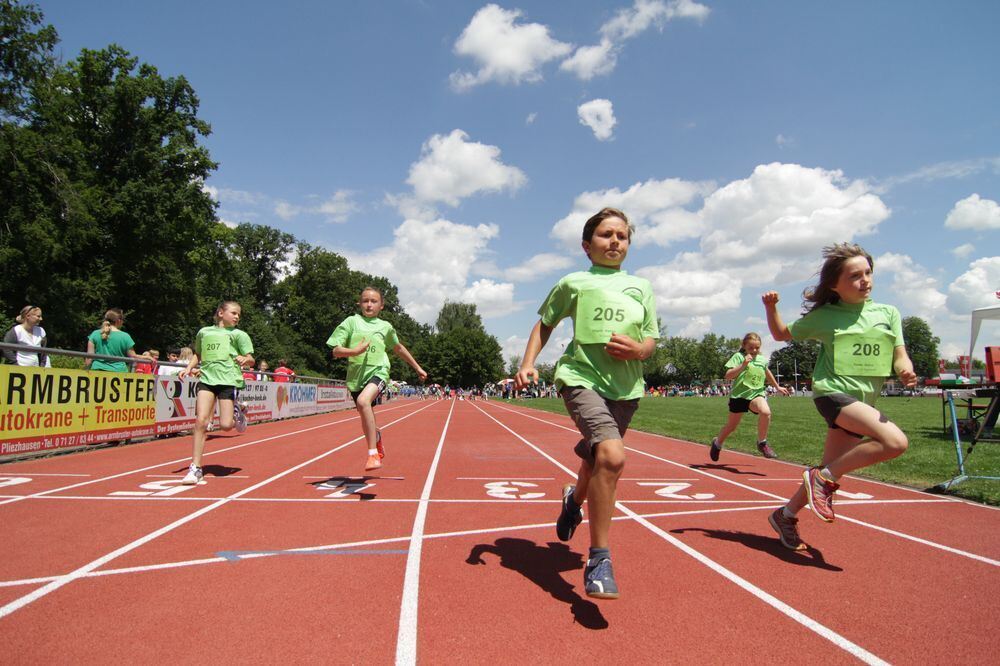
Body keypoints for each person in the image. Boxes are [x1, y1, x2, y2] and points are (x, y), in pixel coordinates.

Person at [516, 207, 658, 600]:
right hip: (580, 378)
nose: (614, 241)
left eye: (622, 236)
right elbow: (545, 323)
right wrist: (527, 363)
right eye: (605, 234)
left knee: (597, 461)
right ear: (586, 245)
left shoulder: (641, 287)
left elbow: (650, 339)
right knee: (612, 456)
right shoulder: (574, 283)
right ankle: (599, 560)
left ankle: (572, 500)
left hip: (626, 388)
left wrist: (639, 350)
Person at [762, 243, 916, 551]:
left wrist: (905, 370)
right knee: (895, 442)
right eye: (855, 276)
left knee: (831, 465)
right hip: (833, 393)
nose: (865, 281)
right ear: (834, 285)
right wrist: (771, 307)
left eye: (868, 273)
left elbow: (899, 354)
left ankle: (786, 515)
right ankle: (823, 479)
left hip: (863, 402)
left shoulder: (888, 313)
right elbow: (781, 334)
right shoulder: (826, 316)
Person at [327, 286, 427, 471]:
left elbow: (398, 348)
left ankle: (373, 455)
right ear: (359, 303)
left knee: (364, 401)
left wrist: (417, 367)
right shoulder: (351, 322)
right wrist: (355, 351)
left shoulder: (385, 327)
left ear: (381, 305)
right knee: (365, 415)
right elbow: (335, 350)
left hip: (379, 371)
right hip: (356, 378)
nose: (369, 304)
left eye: (373, 301)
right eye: (365, 301)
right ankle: (377, 438)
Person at [179, 301, 254, 485]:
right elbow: (198, 354)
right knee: (201, 421)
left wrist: (245, 359)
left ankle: (237, 411)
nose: (237, 317)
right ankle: (195, 468)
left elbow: (251, 359)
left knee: (226, 425)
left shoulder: (239, 335)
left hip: (228, 380)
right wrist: (188, 368)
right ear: (221, 313)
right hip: (207, 379)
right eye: (234, 313)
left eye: (239, 314)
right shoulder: (204, 332)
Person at [709, 332, 789, 461]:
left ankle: (762, 443)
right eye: (751, 348)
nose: (754, 350)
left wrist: (777, 386)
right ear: (744, 346)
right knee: (732, 426)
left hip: (756, 394)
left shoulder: (762, 359)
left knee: (766, 412)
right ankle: (717, 443)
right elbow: (728, 375)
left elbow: (767, 372)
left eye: (757, 347)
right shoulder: (739, 357)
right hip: (739, 396)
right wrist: (743, 364)